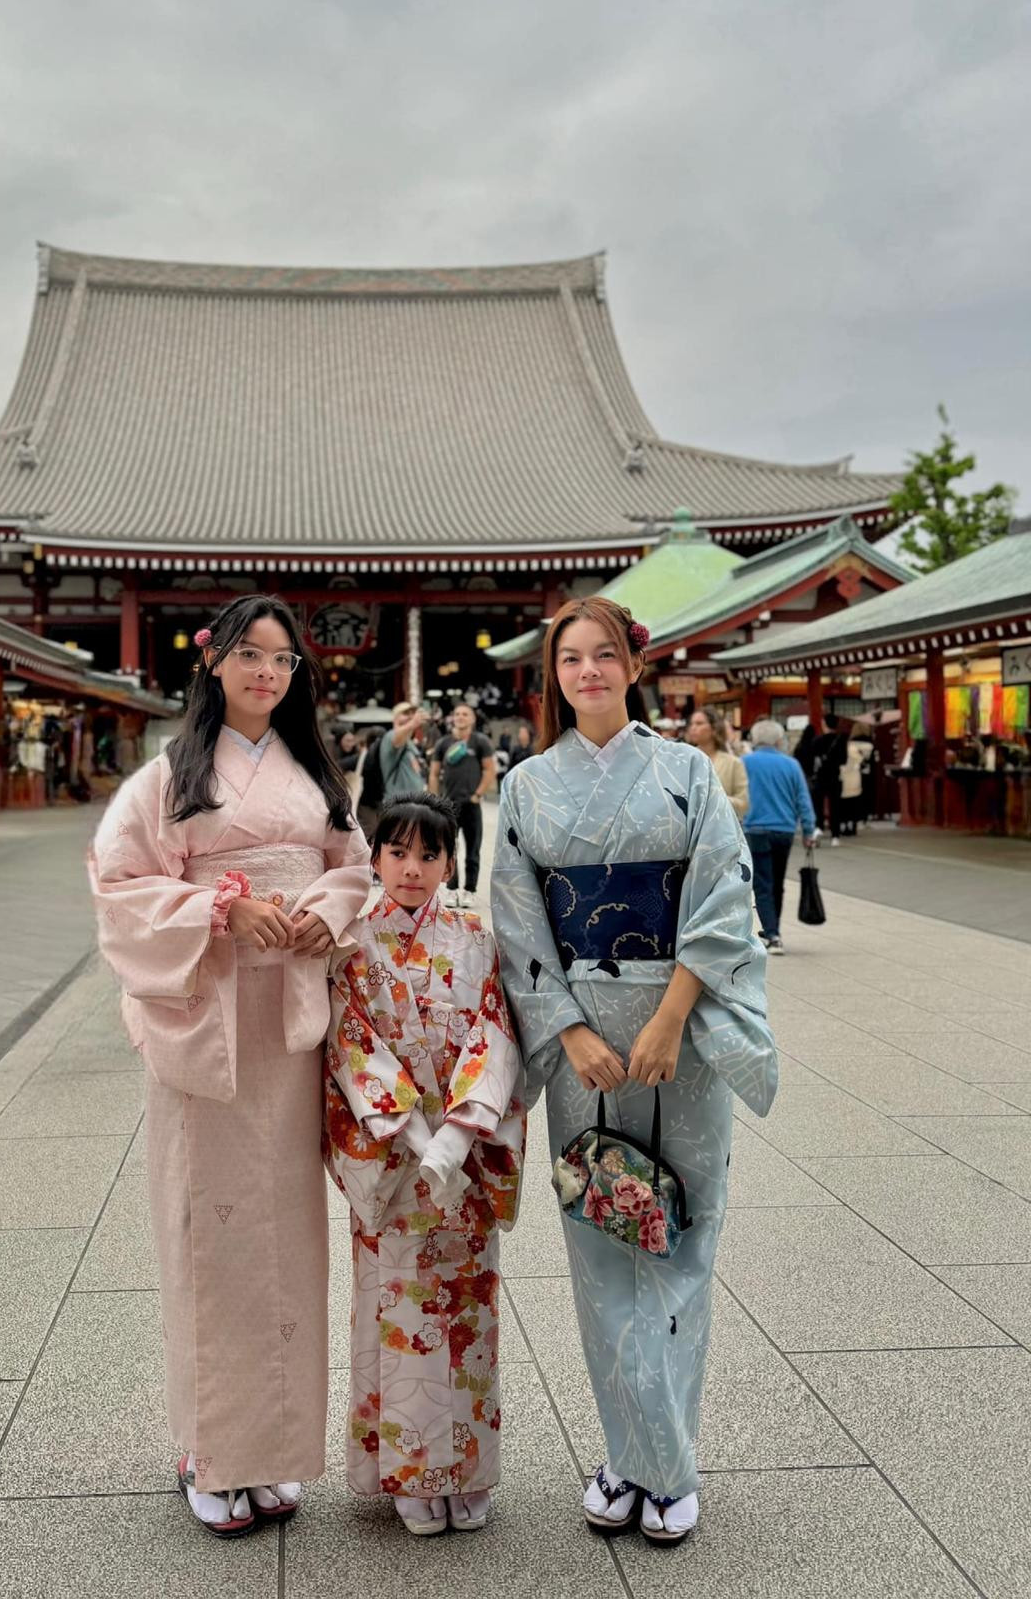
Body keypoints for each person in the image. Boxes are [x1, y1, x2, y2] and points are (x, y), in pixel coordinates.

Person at [490, 597, 777, 1547]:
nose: (587, 672)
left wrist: (671, 1014)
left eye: (602, 655)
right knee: (604, 1240)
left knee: (684, 1236)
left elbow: (727, 896)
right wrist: (567, 1032)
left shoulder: (687, 771)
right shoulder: (529, 787)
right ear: (554, 678)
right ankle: (631, 1457)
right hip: (585, 1048)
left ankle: (665, 1466)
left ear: (632, 665)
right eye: (569, 659)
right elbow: (519, 919)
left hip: (677, 1034)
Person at [89, 594, 372, 1539]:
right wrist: (218, 912)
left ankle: (274, 1451)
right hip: (205, 1017)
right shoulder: (167, 778)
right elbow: (121, 885)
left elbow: (353, 866)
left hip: (288, 1021)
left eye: (283, 661)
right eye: (249, 655)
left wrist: (319, 911)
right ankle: (211, 1452)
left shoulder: (315, 773)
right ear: (213, 663)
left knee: (287, 1240)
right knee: (208, 1237)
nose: (266, 672)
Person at [324, 793, 525, 1537]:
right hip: (395, 1154)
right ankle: (408, 1471)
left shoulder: (475, 936)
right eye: (397, 853)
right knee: (399, 1306)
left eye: (429, 855)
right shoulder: (351, 944)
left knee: (468, 1308)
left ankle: (467, 1469)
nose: (412, 869)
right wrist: (416, 1137)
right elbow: (350, 1046)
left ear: (449, 861)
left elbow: (495, 1031)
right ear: (373, 858)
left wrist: (460, 1135)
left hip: (463, 1152)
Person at [741, 719, 818, 954]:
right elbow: (803, 800)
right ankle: (772, 927)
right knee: (777, 882)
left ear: (754, 740)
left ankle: (772, 933)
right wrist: (808, 829)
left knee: (762, 883)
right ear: (778, 740)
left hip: (755, 829)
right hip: (784, 830)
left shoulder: (744, 763)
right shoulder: (791, 765)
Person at [429, 703, 496, 908]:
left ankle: (469, 890)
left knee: (473, 850)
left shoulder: (480, 742)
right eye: (457, 713)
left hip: (472, 805)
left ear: (473, 719)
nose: (460, 717)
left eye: (465, 714)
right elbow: (433, 773)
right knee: (449, 850)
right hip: (448, 806)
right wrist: (434, 800)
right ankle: (451, 889)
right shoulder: (443, 743)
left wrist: (478, 794)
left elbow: (489, 770)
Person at [685, 707, 748, 820]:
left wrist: (715, 798)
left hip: (722, 828)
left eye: (699, 723)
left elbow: (744, 804)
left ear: (714, 729)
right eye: (692, 723)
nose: (693, 728)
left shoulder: (733, 763)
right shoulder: (685, 759)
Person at [378, 702, 428, 802]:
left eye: (412, 713)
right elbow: (397, 739)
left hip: (414, 802)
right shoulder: (390, 735)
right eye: (405, 713)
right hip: (399, 803)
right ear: (395, 717)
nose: (410, 716)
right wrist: (412, 724)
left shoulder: (409, 741)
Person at [811, 714, 848, 845]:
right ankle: (835, 836)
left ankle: (818, 827)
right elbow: (844, 760)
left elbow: (813, 761)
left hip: (820, 776)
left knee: (818, 805)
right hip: (835, 776)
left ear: (824, 724)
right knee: (835, 806)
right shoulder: (842, 740)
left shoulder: (817, 741)